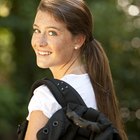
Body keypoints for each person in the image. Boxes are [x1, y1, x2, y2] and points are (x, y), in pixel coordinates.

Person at [24, 0, 128, 140]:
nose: (39, 42)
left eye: (52, 33)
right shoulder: (95, 84)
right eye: (37, 30)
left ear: (78, 40)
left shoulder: (47, 97)